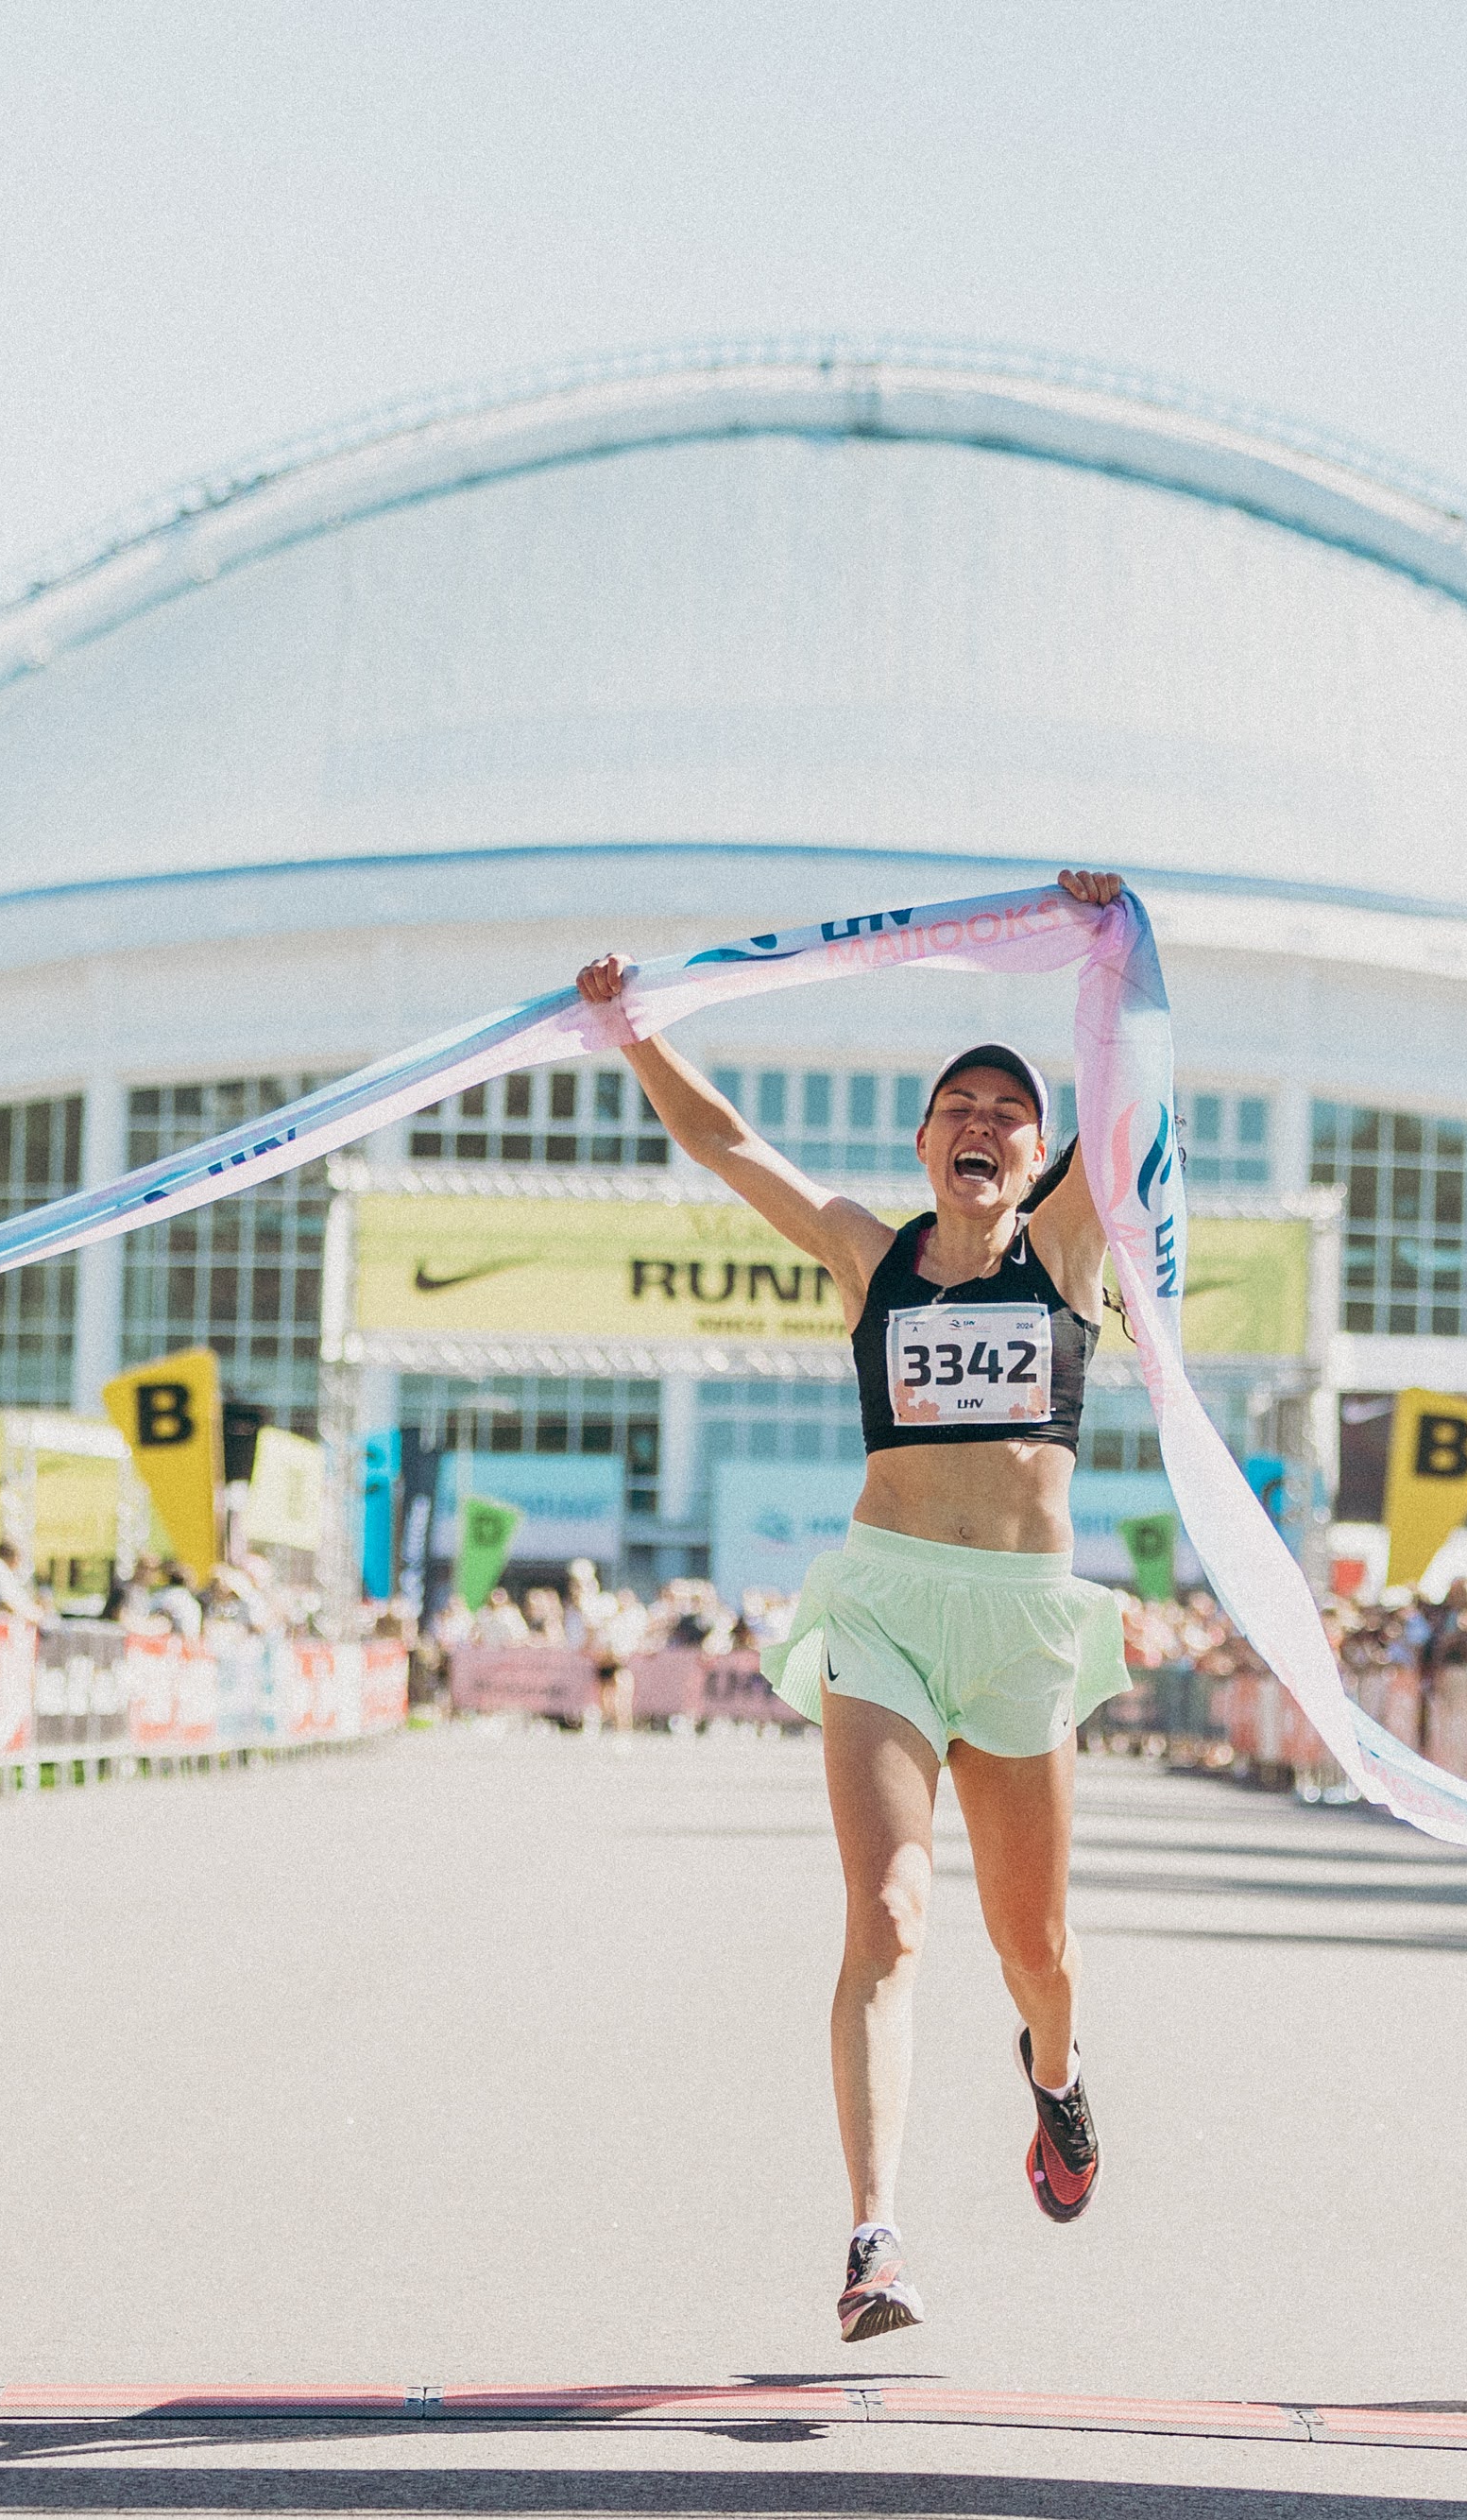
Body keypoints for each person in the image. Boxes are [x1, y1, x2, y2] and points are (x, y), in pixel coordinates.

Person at [575, 866, 1127, 2345]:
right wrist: (631, 1030)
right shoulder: (864, 1257)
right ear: (924, 1142)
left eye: (1011, 1114)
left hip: (1018, 1624)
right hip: (882, 1607)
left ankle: (1058, 2087)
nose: (983, 1127)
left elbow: (1132, 1093)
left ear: (1036, 1158)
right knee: (886, 1919)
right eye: (958, 1107)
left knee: (1040, 1957)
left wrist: (1109, 946)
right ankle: (874, 2238)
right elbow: (723, 1138)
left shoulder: (1070, 1256)